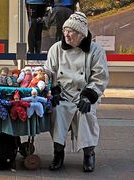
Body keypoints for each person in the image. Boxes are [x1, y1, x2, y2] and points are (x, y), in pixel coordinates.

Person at [43, 12, 109, 172]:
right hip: (63, 94)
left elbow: (100, 77)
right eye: (65, 30)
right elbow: (48, 72)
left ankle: (89, 154)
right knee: (57, 112)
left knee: (85, 115)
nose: (66, 34)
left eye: (70, 31)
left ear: (81, 34)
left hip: (84, 94)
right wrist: (53, 90)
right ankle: (58, 153)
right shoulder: (56, 49)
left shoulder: (96, 51)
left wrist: (88, 96)